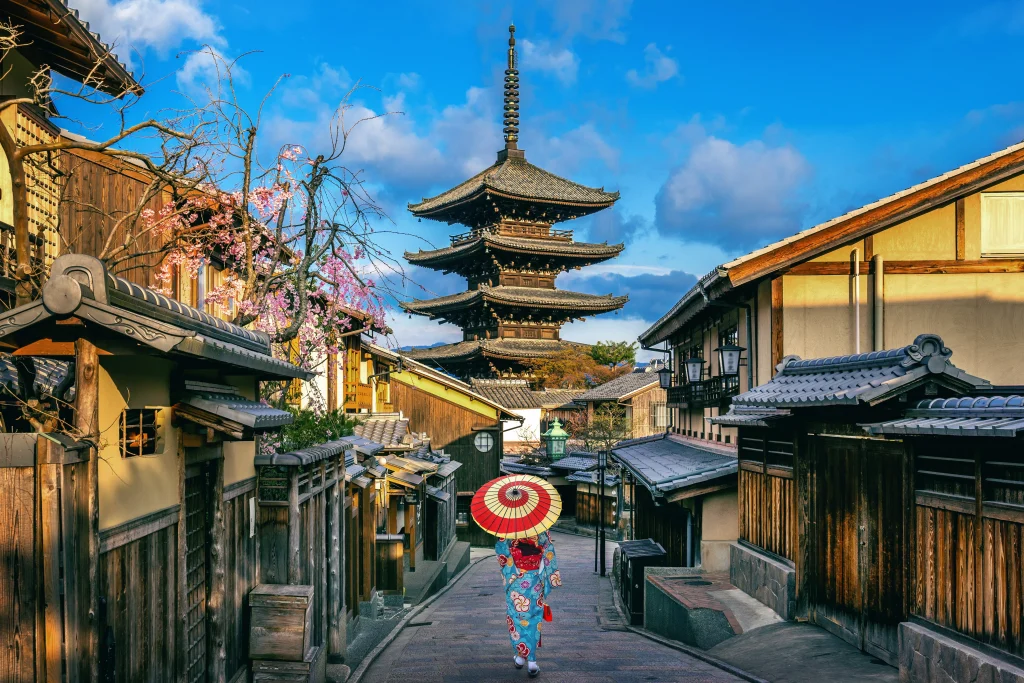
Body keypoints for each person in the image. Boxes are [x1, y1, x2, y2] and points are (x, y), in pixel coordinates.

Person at [495, 531, 561, 678]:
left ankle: (522, 657)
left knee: (516, 617)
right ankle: (530, 661)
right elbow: (549, 550)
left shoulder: (507, 530)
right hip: (535, 579)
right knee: (533, 618)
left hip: (516, 579)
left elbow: (502, 553)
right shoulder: (540, 528)